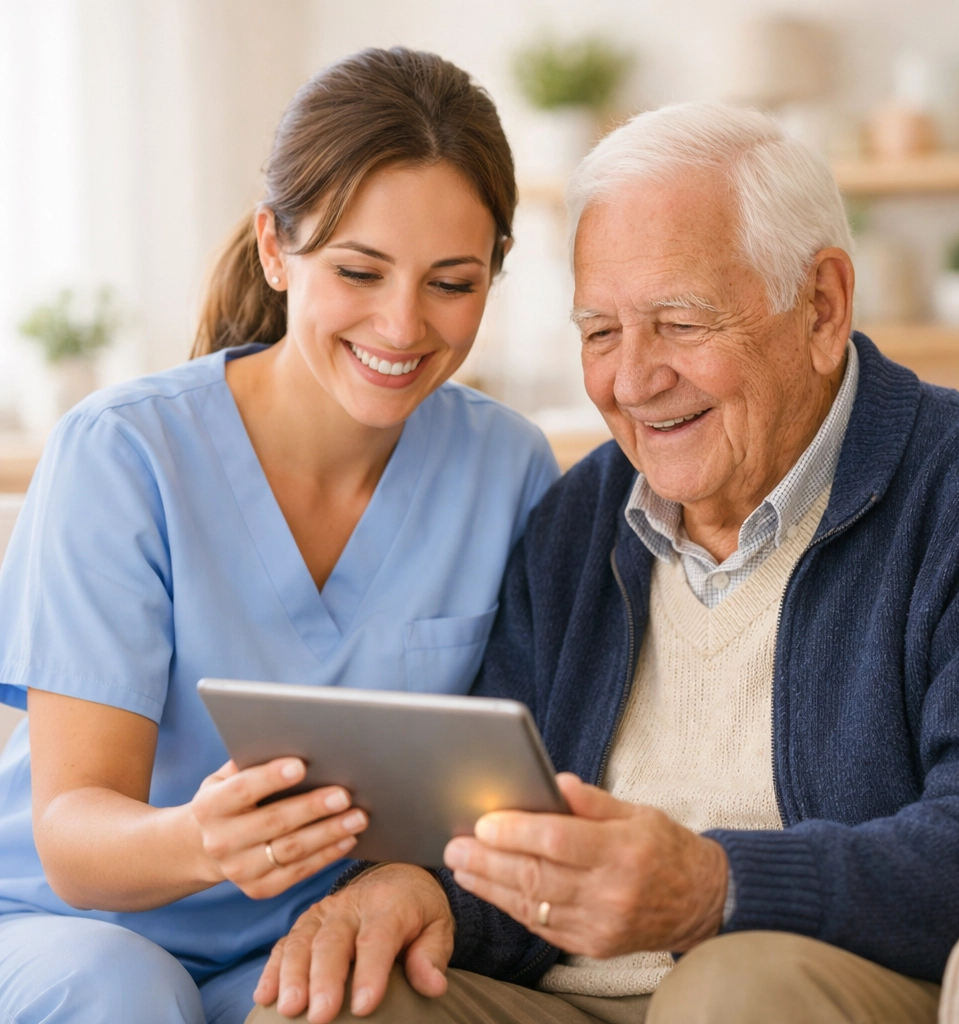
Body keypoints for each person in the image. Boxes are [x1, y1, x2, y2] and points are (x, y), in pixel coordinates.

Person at [250, 104, 959, 1024]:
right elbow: (495, 820)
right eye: (600, 332)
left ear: (821, 306)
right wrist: (416, 885)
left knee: (728, 986)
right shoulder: (577, 520)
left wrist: (717, 888)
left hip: (814, 983)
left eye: (679, 322)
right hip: (568, 993)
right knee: (342, 999)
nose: (632, 380)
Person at [0, 48, 558, 1024]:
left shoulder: (508, 469)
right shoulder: (124, 453)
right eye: (358, 270)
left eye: (452, 282)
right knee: (127, 992)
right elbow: (73, 833)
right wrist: (202, 842)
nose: (402, 324)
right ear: (274, 248)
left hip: (299, 946)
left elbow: (513, 784)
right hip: (74, 926)